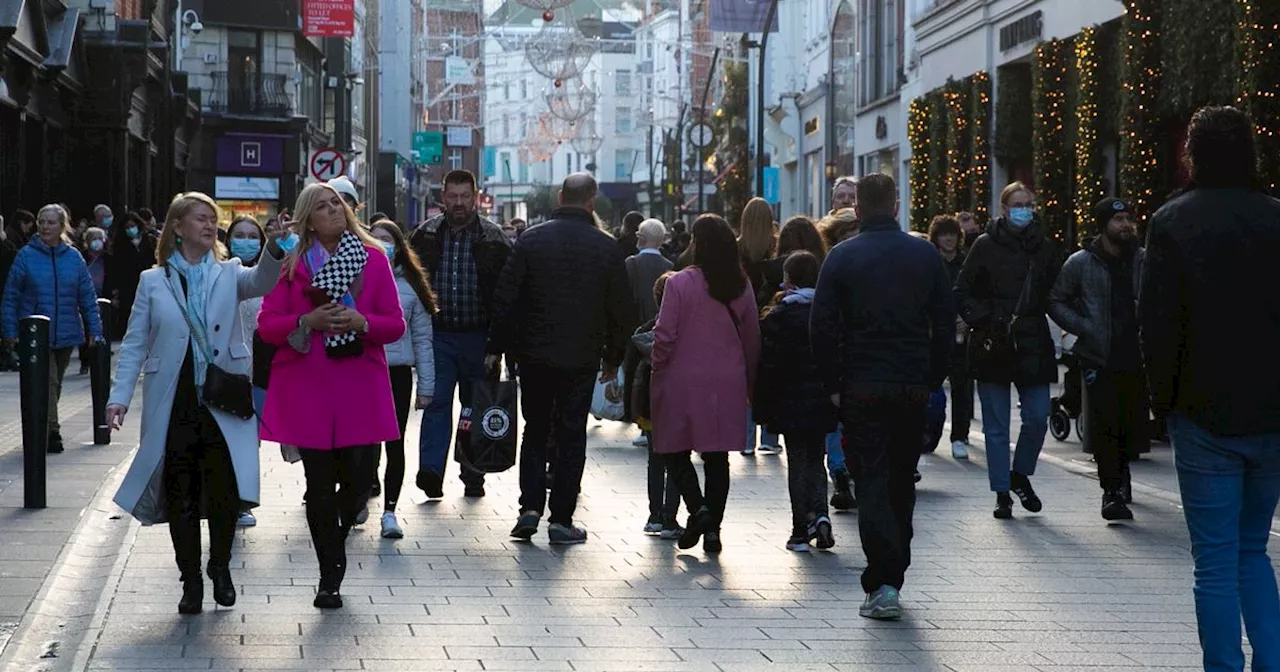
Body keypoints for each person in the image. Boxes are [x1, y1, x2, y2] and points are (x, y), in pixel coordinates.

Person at [1138, 105, 1280, 671]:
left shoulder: (1173, 222)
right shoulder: (1275, 218)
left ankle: (1224, 666)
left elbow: (1158, 322)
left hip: (1202, 408)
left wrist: (1161, 400)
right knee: (1253, 548)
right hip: (1271, 409)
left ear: (1191, 153)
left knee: (1215, 559)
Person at [106, 192, 287, 615]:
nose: (209, 225)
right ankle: (189, 581)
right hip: (174, 404)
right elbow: (134, 343)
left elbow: (263, 280)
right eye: (199, 218)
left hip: (222, 401)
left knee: (225, 492)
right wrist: (118, 398)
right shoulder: (153, 281)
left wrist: (275, 248)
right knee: (181, 495)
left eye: (212, 219)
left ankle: (219, 566)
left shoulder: (230, 273)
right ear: (178, 228)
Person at [811, 174, 953, 620]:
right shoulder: (925, 255)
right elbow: (945, 324)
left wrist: (832, 383)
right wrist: (933, 376)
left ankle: (882, 581)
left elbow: (822, 327)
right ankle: (894, 574)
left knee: (870, 479)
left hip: (861, 383)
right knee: (900, 478)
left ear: (858, 210)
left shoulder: (840, 257)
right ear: (895, 205)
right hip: (910, 383)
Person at [258, 183, 405, 609]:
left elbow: (393, 324)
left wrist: (361, 321)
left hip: (359, 384)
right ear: (307, 219)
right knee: (319, 484)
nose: (333, 211)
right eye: (322, 206)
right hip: (308, 386)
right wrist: (308, 319)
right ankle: (329, 574)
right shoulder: (291, 266)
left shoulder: (373, 259)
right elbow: (268, 326)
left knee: (359, 480)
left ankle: (336, 541)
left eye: (337, 203)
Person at [488, 173, 634, 544]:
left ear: (559, 196)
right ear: (592, 200)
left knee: (535, 430)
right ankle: (561, 518)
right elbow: (622, 309)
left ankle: (530, 508)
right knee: (571, 435)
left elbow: (507, 298)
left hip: (534, 354)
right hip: (581, 356)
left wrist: (498, 347)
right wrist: (613, 359)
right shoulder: (606, 247)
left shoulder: (531, 240)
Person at [651, 214, 760, 554]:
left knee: (673, 449)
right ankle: (713, 530)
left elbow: (665, 334)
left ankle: (697, 509)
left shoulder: (678, 283)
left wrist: (656, 364)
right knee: (717, 458)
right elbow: (753, 338)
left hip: (682, 379)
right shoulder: (741, 286)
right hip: (727, 380)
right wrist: (750, 384)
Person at [954, 181, 1060, 519]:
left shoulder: (1044, 247)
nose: (1025, 210)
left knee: (1038, 416)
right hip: (993, 339)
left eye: (1029, 204)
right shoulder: (985, 245)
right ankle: (1002, 491)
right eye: (1018, 204)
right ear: (1003, 208)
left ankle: (1020, 474)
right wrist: (983, 317)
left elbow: (1056, 291)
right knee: (996, 425)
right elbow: (963, 289)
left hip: (1032, 339)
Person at [408, 170, 512, 499]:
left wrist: (498, 344)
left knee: (475, 406)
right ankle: (431, 472)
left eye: (464, 196)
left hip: (479, 337)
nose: (458, 203)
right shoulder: (425, 235)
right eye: (452, 197)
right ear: (443, 196)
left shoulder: (495, 239)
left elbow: (506, 295)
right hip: (438, 336)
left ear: (475, 196)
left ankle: (473, 473)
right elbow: (410, 284)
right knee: (436, 402)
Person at [1048, 197, 1146, 522]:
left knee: (1131, 423)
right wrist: (1084, 327)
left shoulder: (1141, 260)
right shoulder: (1081, 262)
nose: (1126, 225)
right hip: (1098, 356)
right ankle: (1112, 491)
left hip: (1136, 354)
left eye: (1128, 218)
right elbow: (1056, 299)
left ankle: (1123, 477)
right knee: (1105, 424)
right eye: (1118, 220)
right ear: (1104, 225)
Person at [1, 204, 105, 453]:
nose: (45, 226)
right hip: (35, 333)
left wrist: (95, 329)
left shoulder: (73, 257)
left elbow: (87, 297)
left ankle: (43, 425)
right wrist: (9, 331)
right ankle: (53, 432)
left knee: (54, 384)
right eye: (41, 221)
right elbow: (11, 296)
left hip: (67, 331)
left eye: (51, 222)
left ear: (62, 226)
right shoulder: (25, 255)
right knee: (47, 382)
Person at [755, 251, 839, 552]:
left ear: (788, 280)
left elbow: (766, 366)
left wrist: (762, 406)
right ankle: (821, 515)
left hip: (789, 400)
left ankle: (799, 529)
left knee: (797, 461)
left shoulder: (778, 316)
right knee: (817, 458)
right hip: (822, 398)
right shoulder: (829, 313)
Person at [369, 220, 436, 539]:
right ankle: (360, 494)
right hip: (362, 370)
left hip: (396, 374)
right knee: (363, 444)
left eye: (388, 239)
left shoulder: (410, 283)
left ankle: (390, 511)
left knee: (394, 445)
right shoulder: (354, 277)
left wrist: (427, 387)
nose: (382, 244)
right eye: (375, 238)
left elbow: (423, 338)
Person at [627, 271, 681, 538]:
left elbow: (632, 369)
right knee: (678, 460)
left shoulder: (645, 332)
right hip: (679, 404)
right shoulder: (687, 330)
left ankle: (654, 515)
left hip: (650, 405)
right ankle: (671, 516)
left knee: (655, 460)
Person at [928, 215, 974, 460]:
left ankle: (959, 435)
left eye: (952, 234)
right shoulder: (929, 261)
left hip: (962, 333)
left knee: (963, 387)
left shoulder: (967, 262)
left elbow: (976, 292)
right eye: (943, 234)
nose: (948, 239)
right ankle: (927, 432)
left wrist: (967, 319)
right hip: (935, 333)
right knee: (930, 385)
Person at [738, 197, 780, 456]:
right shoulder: (775, 249)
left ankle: (745, 439)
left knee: (746, 380)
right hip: (771, 320)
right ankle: (769, 437)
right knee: (769, 378)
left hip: (742, 321)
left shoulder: (736, 249)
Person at [623, 218, 673, 432]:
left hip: (635, 327)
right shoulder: (669, 266)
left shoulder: (631, 264)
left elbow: (624, 296)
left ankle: (638, 418)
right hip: (662, 327)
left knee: (635, 374)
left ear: (640, 238)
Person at [105, 210, 156, 340]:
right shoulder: (121, 245)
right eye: (127, 227)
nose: (130, 230)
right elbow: (116, 269)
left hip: (148, 283)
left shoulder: (149, 240)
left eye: (132, 226)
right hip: (128, 285)